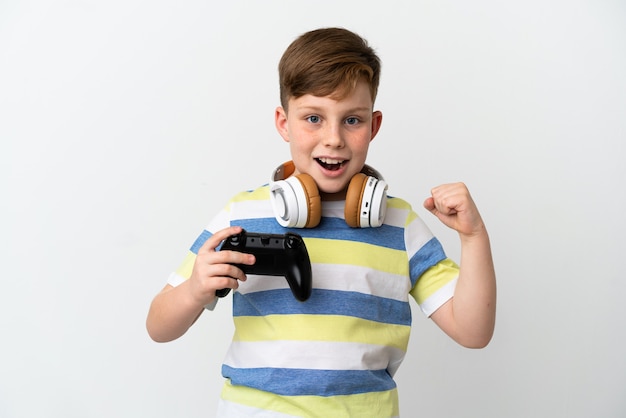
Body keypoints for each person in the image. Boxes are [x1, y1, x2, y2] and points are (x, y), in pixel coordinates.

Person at [146, 27, 496, 417]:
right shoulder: (241, 216)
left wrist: (474, 237)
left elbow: (473, 332)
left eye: (352, 120)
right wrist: (195, 289)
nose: (333, 139)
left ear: (374, 126)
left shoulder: (400, 224)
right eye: (313, 117)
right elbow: (159, 327)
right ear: (283, 122)